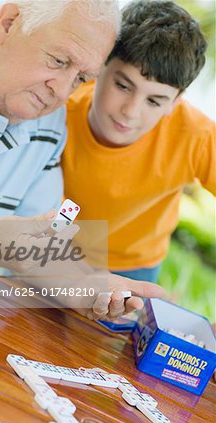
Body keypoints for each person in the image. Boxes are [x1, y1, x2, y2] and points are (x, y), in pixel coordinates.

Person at [0, 0, 165, 320]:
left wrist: (85, 286)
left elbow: (34, 249)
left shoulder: (48, 123)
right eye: (59, 60)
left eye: (80, 79)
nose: (62, 91)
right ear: (9, 22)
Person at [63, 0, 215, 284]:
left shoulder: (196, 136)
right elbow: (48, 201)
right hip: (55, 245)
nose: (130, 112)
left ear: (175, 101)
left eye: (154, 101)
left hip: (134, 267)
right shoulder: (61, 104)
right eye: (122, 85)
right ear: (101, 65)